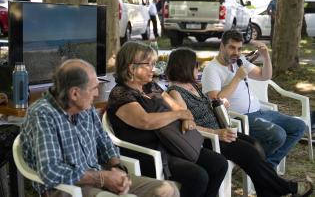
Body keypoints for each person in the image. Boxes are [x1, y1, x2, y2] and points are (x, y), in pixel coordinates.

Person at [165, 47, 313, 197]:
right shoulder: (175, 92)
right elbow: (188, 125)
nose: (198, 67)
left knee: (255, 145)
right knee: (249, 153)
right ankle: (288, 188)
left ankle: (268, 192)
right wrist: (217, 133)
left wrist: (219, 105)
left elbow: (201, 108)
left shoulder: (192, 86)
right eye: (195, 64)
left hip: (221, 130)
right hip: (208, 139)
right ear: (185, 66)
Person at [20, 59, 179, 197]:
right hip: (66, 188)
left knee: (167, 190)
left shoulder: (85, 107)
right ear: (75, 93)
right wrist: (102, 178)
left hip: (97, 175)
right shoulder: (42, 115)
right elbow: (51, 171)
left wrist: (117, 167)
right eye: (94, 88)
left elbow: (104, 141)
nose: (97, 93)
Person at [107, 41, 228, 197]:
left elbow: (180, 109)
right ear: (132, 68)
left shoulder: (151, 87)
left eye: (154, 63)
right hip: (149, 152)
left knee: (219, 164)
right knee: (198, 176)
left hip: (172, 143)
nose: (154, 69)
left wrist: (186, 118)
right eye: (149, 64)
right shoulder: (121, 94)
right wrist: (179, 115)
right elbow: (145, 121)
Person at [201, 29, 307, 168]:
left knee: (299, 126)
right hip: (240, 118)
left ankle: (268, 165)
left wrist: (266, 56)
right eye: (232, 47)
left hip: (260, 112)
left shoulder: (240, 61)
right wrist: (237, 78)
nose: (236, 53)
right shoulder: (212, 69)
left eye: (239, 49)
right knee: (278, 135)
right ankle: (259, 166)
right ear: (222, 46)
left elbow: (265, 76)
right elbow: (216, 101)